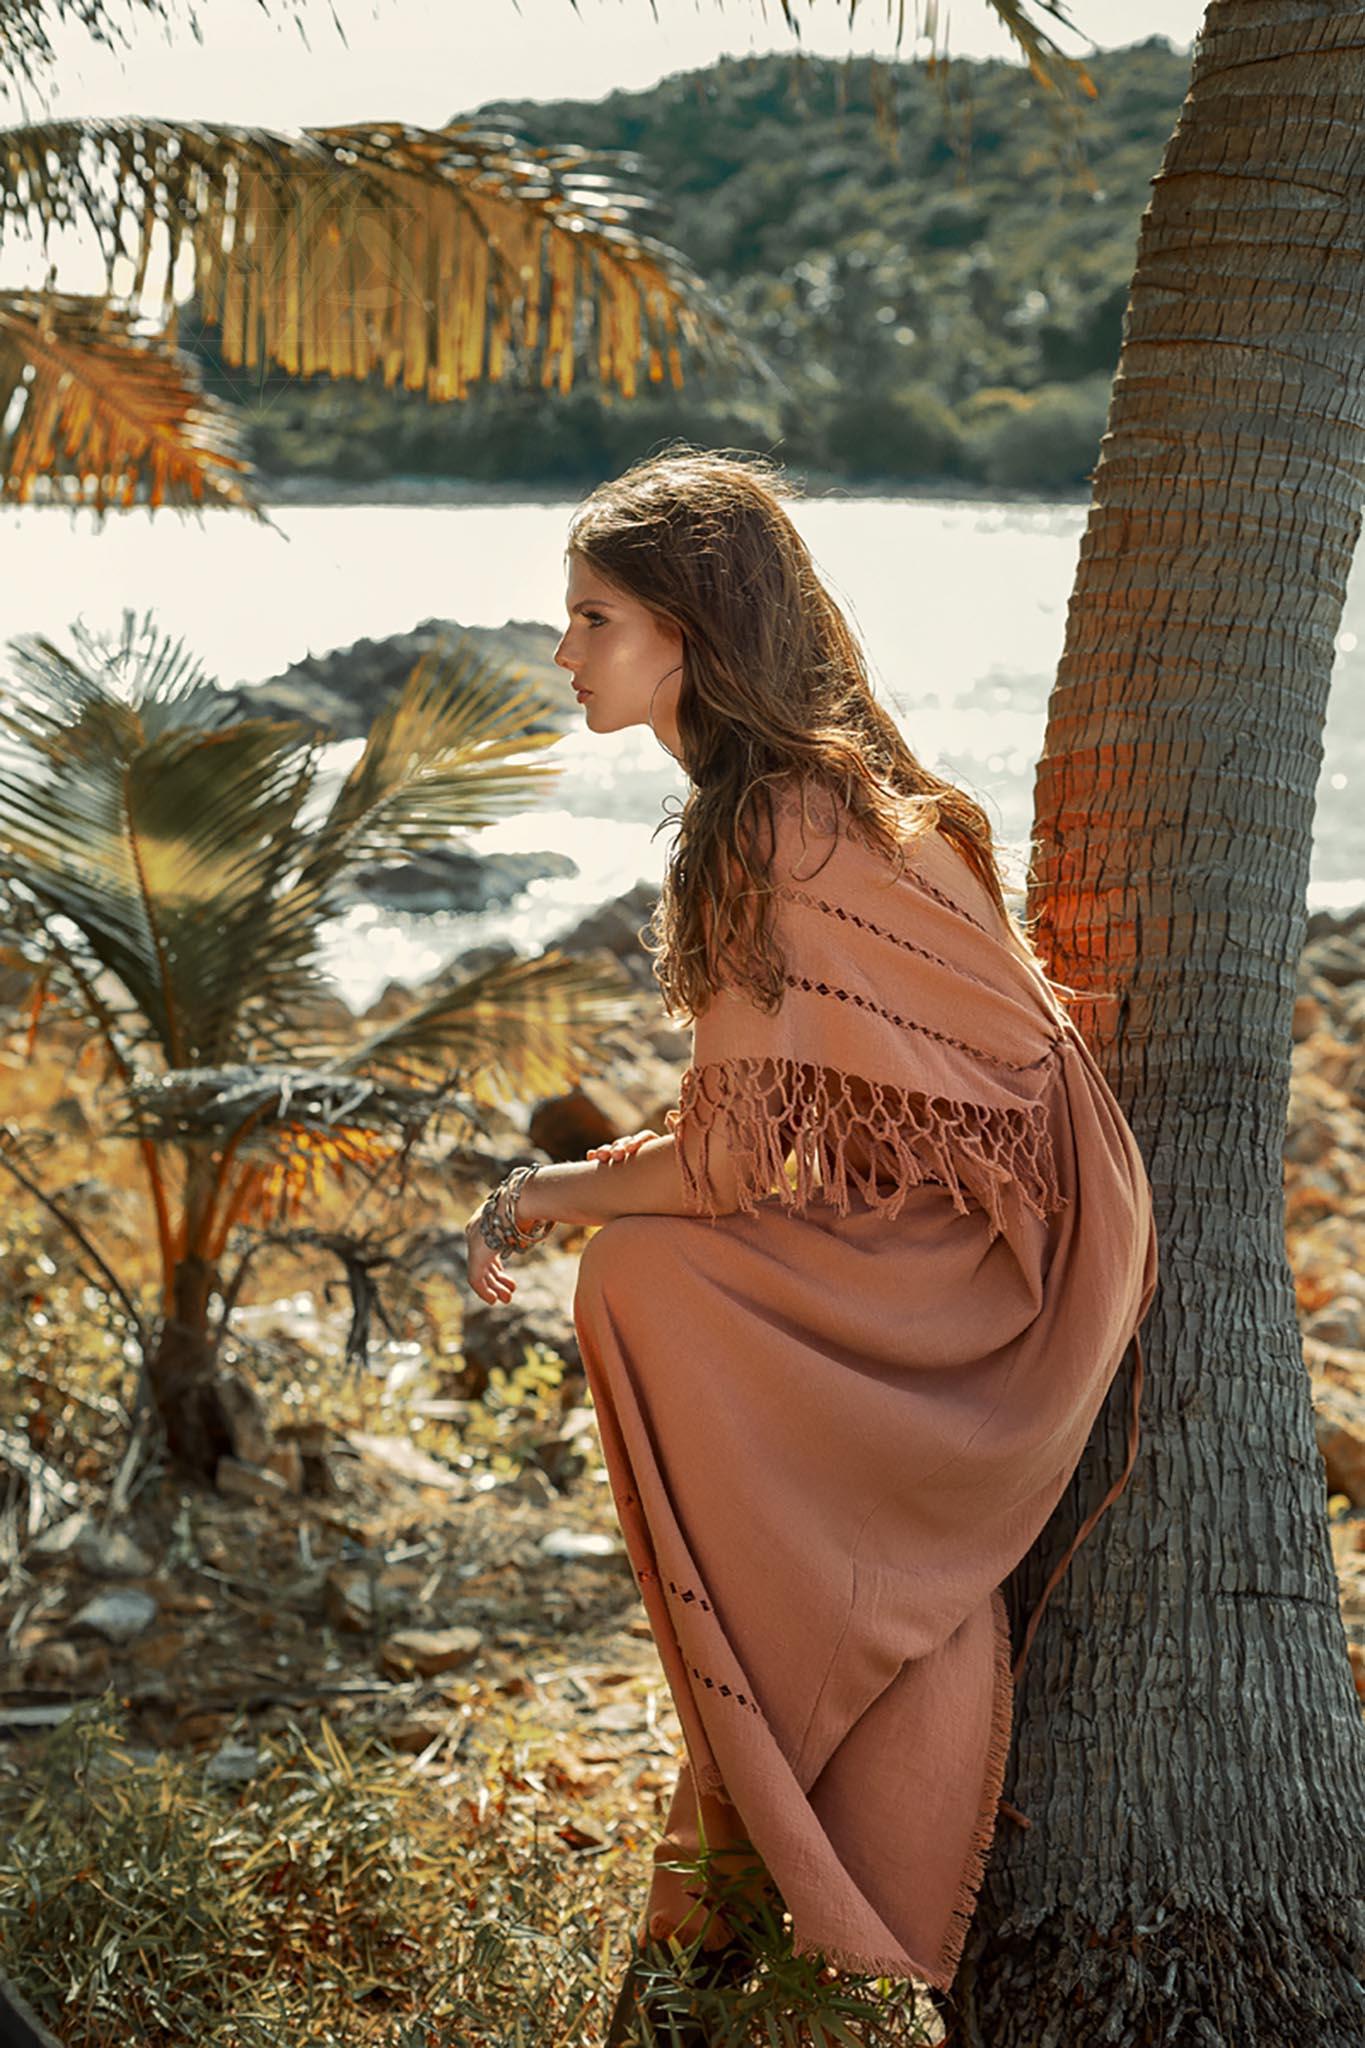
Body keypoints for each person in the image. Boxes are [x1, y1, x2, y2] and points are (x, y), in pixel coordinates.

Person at [463, 448, 1159, 2024]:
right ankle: (808, 1662)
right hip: (1001, 1209)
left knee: (643, 1271)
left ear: (688, 636)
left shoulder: (772, 824)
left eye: (590, 619)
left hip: (1009, 1254)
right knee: (650, 1271)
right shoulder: (793, 799)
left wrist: (538, 1196)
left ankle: (849, 1618)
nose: (563, 653)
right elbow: (762, 1134)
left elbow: (715, 1170)